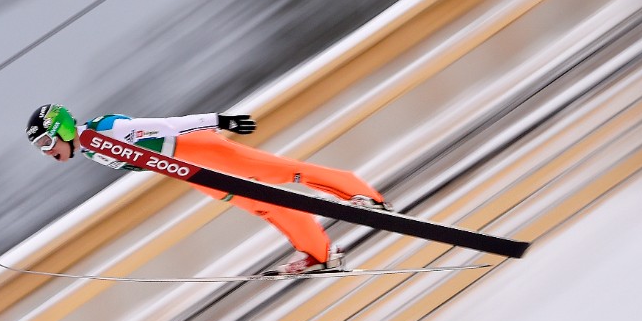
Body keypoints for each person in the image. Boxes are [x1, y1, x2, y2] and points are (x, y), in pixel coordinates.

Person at [26, 103, 390, 275]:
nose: (48, 153)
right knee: (267, 207)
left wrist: (219, 121)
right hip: (191, 172)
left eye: (46, 143)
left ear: (62, 128)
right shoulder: (91, 148)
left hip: (198, 151)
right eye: (40, 150)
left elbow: (167, 125)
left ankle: (361, 195)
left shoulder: (104, 131)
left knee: (279, 174)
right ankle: (322, 252)